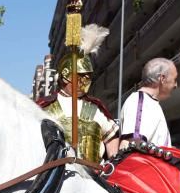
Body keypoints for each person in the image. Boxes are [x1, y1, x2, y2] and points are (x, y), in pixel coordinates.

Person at [37, 25, 119, 163]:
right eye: (81, 76)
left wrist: (114, 166)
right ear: (65, 76)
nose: (85, 81)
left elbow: (112, 140)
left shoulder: (95, 109)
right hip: (57, 177)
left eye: (88, 76)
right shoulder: (45, 109)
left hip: (95, 177)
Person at [115, 57, 178, 154]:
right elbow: (129, 147)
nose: (175, 85)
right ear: (162, 79)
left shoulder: (149, 102)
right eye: (174, 79)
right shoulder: (140, 102)